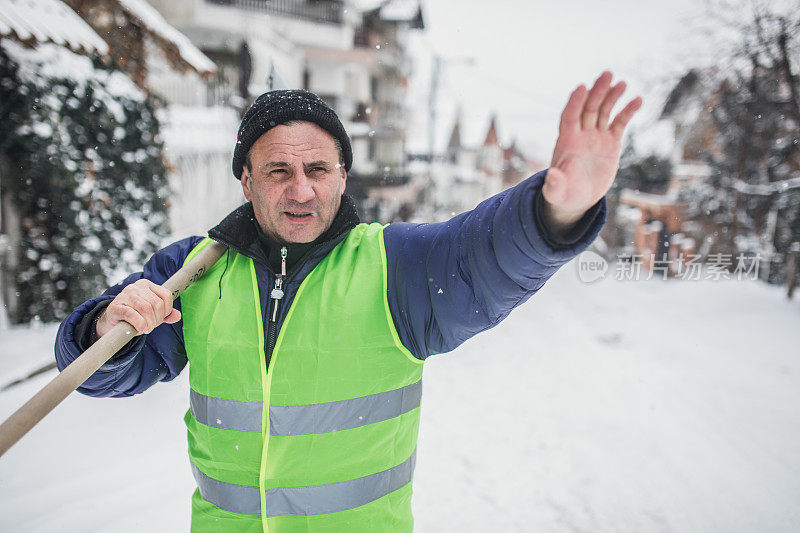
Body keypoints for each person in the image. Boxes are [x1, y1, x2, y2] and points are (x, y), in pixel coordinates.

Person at [55, 71, 641, 532]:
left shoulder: (397, 268)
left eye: (317, 168)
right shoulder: (193, 272)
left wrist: (556, 212)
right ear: (246, 181)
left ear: (342, 177)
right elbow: (106, 373)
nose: (301, 189)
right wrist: (110, 323)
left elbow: (479, 258)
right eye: (278, 170)